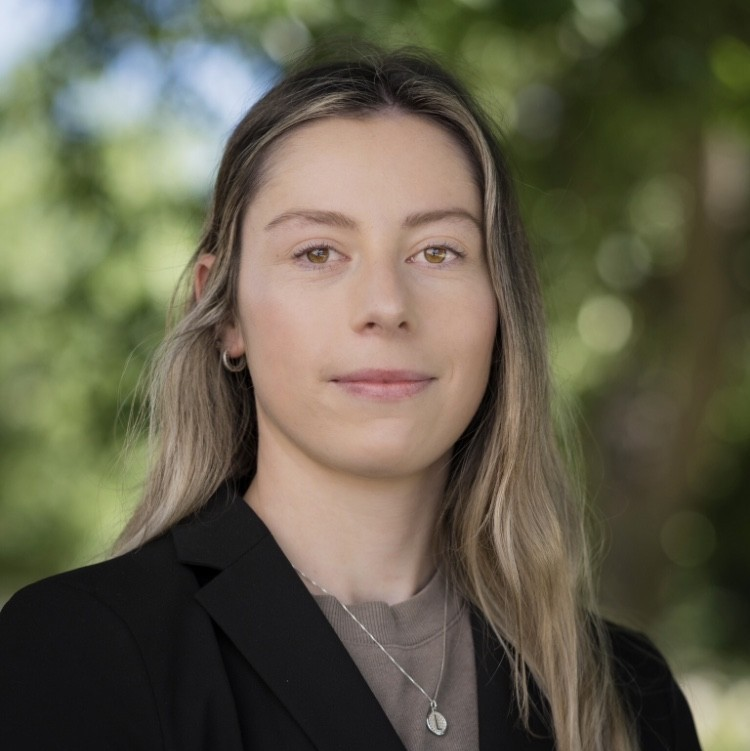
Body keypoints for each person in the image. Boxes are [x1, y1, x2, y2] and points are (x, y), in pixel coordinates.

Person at [0, 45, 701, 751]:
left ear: (502, 306)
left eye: (438, 251)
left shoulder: (627, 696)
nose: (386, 305)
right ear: (227, 312)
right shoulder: (79, 651)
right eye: (318, 252)